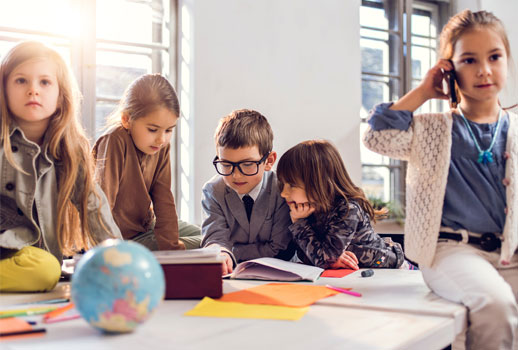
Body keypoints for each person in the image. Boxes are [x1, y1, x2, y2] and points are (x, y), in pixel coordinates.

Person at [363, 10, 518, 350]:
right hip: (451, 252)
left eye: (494, 56)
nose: (484, 70)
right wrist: (423, 90)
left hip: (509, 251)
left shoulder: (515, 129)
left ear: (507, 59)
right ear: (449, 68)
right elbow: (378, 138)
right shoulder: (433, 127)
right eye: (469, 60)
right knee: (497, 306)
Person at [0, 41, 122, 292]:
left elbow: (93, 205)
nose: (33, 90)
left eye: (44, 82)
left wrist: (119, 258)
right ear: (4, 89)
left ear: (60, 95)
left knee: (49, 267)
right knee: (46, 271)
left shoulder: (70, 149)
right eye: (21, 81)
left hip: (33, 257)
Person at [93, 74, 202, 251]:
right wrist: (111, 252)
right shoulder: (114, 141)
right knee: (199, 244)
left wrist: (171, 247)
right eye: (153, 129)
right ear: (126, 119)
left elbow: (164, 198)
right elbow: (102, 206)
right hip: (120, 238)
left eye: (169, 130)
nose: (161, 139)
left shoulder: (160, 147)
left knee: (205, 236)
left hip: (145, 226)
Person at [277, 140, 412, 270]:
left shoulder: (348, 209)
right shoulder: (307, 209)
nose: (283, 193)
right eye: (283, 184)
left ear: (318, 183)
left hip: (394, 270)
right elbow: (306, 255)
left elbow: (323, 259)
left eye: (292, 185)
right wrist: (328, 260)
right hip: (355, 275)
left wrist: (299, 224)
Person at [201, 109, 294, 275]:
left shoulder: (281, 189)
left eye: (248, 164)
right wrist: (222, 252)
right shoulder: (213, 191)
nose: (236, 175)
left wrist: (233, 251)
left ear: (269, 161)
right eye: (226, 164)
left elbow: (280, 249)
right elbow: (215, 239)